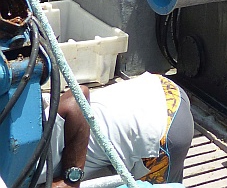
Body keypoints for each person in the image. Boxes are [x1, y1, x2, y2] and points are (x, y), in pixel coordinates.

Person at [45, 73, 193, 187]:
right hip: (158, 87)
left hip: (163, 130)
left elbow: (77, 97)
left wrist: (71, 178)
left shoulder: (31, 162)